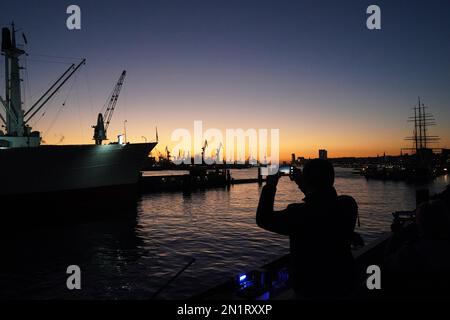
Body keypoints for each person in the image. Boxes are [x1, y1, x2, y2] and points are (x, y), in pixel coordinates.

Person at [256, 159, 358, 298]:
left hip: (311, 290)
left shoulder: (298, 214)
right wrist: (304, 183)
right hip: (344, 281)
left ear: (307, 180)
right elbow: (321, 203)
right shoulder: (348, 204)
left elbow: (264, 219)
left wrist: (271, 185)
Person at [384, 199, 450, 296]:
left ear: (421, 224)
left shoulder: (412, 252)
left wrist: (396, 235)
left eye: (417, 220)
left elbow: (387, 262)